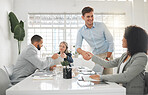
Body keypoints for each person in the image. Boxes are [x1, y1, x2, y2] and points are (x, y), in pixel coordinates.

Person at [88, 26, 148, 94]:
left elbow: (126, 76)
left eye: (124, 37)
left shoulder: (141, 57)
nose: (122, 40)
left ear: (132, 40)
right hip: (120, 89)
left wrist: (101, 77)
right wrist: (92, 56)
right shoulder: (125, 55)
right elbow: (108, 64)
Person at [75, 6, 114, 74]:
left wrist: (107, 58)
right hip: (96, 57)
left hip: (107, 54)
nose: (90, 18)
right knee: (97, 78)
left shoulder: (102, 26)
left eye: (92, 16)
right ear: (83, 17)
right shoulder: (81, 31)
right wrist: (83, 53)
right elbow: (77, 47)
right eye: (88, 16)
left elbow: (111, 41)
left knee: (109, 78)